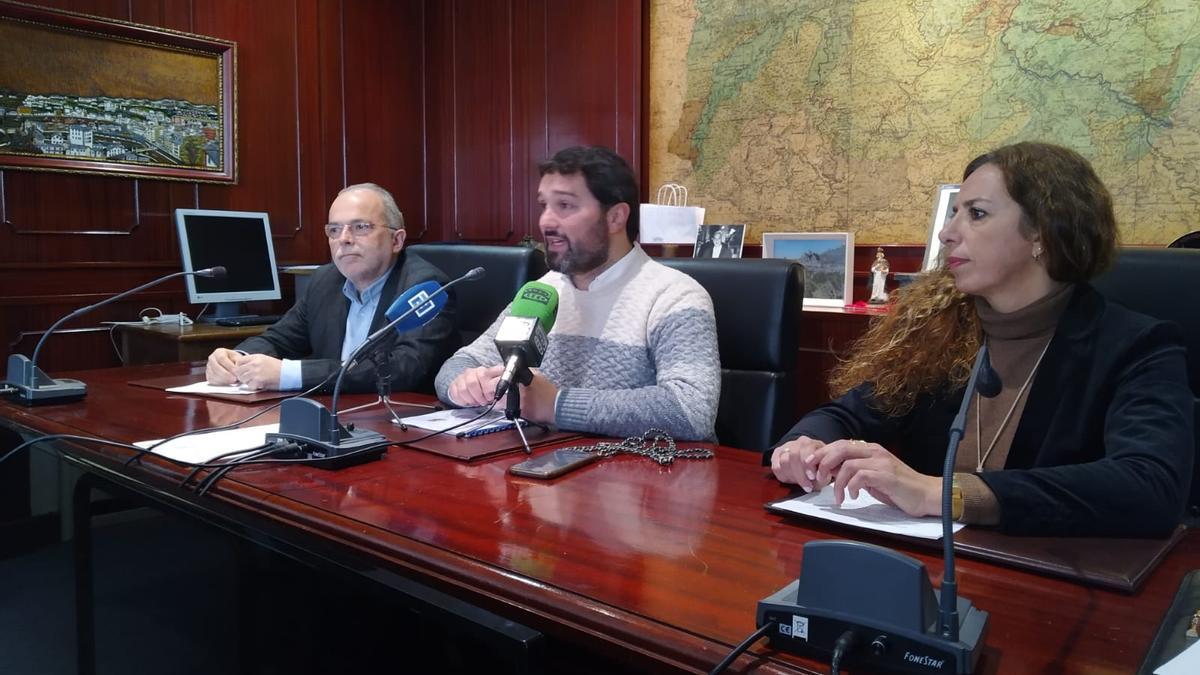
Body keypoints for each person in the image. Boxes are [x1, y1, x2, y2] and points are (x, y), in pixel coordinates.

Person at [768, 142, 1193, 538]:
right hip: (928, 569)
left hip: (1049, 581)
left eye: (976, 214)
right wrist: (804, 447)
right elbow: (847, 414)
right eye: (954, 213)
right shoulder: (938, 328)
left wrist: (940, 493)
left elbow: (1150, 485)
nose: (946, 233)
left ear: (1042, 234)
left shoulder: (1138, 347)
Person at [435, 145, 720, 441]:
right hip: (544, 471)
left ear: (616, 218)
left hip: (646, 479)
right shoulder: (543, 292)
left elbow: (691, 411)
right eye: (544, 205)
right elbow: (458, 364)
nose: (546, 221)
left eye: (565, 206)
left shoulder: (675, 295)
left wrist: (556, 405)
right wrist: (464, 384)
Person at [205, 183, 459, 393]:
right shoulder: (325, 280)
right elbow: (279, 339)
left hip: (401, 423)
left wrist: (291, 374)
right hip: (332, 416)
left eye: (361, 227)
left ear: (396, 240)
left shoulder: (427, 288)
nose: (344, 239)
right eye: (334, 230)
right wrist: (235, 358)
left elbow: (405, 368)